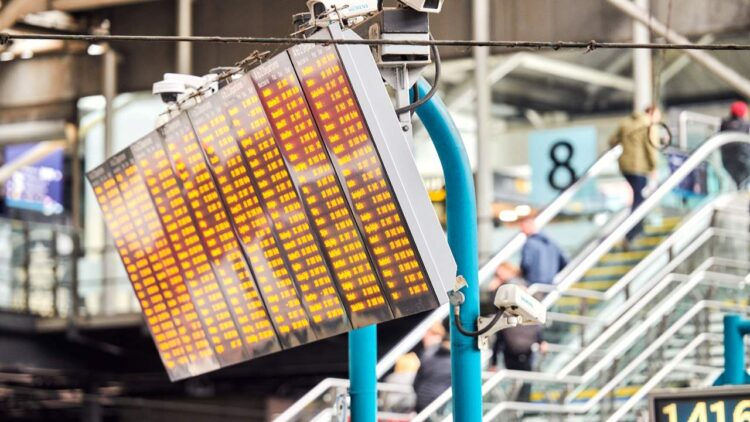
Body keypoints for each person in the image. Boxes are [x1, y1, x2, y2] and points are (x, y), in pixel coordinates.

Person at [609, 106, 662, 244]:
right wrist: (654, 168)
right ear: (651, 113)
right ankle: (632, 233)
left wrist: (625, 150)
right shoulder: (649, 125)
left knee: (637, 198)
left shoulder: (625, 122)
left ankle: (637, 229)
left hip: (625, 166)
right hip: (640, 167)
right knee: (639, 200)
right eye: (658, 115)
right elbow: (651, 148)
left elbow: (612, 140)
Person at [490, 279, 548, 402]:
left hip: (527, 355)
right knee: (515, 386)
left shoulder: (531, 313)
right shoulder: (506, 315)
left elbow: (537, 332)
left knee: (526, 385)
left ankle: (522, 409)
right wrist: (493, 363)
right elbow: (498, 342)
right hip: (511, 356)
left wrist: (542, 342)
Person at [518, 215, 568, 286]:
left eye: (522, 228)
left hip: (534, 283)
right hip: (550, 282)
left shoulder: (529, 244)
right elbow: (564, 261)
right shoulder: (551, 242)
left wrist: (524, 276)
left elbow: (526, 264)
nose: (522, 231)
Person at [413, 321, 451, 412]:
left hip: (424, 402)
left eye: (427, 335)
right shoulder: (453, 359)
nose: (424, 338)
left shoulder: (427, 355)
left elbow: (416, 382)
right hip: (443, 403)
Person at [718, 101, 750, 189]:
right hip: (744, 158)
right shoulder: (746, 125)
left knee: (736, 181)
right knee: (744, 180)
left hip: (727, 159)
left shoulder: (724, 123)